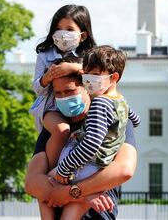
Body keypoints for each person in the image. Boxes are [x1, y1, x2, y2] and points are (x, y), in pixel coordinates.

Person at [25, 73, 137, 219]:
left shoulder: (115, 120)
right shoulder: (55, 128)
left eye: (70, 91)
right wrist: (81, 196)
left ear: (87, 88)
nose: (64, 97)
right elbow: (32, 182)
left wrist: (70, 192)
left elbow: (124, 170)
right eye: (58, 93)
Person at [51, 45, 140, 219]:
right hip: (101, 167)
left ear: (113, 77)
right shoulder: (121, 102)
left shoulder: (100, 103)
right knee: (73, 211)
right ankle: (85, 196)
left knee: (49, 179)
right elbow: (135, 120)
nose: (89, 80)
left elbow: (91, 143)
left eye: (96, 75)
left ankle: (83, 196)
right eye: (87, 74)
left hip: (86, 165)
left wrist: (64, 168)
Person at [29, 4, 96, 170]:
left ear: (83, 35)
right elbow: (37, 88)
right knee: (61, 130)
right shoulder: (45, 55)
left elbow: (97, 78)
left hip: (80, 109)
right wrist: (47, 78)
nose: (63, 33)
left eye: (69, 28)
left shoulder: (90, 56)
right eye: (58, 28)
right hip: (52, 108)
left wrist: (74, 68)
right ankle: (52, 171)